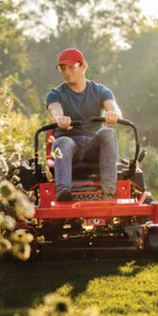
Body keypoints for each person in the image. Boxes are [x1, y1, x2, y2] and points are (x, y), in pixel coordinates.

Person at [46, 48, 122, 201]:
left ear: (83, 66)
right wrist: (59, 119)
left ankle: (109, 191)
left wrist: (113, 114)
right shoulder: (56, 94)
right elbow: (55, 112)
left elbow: (115, 109)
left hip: (92, 146)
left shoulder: (101, 91)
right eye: (63, 68)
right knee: (63, 141)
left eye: (71, 67)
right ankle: (63, 192)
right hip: (68, 147)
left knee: (107, 133)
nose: (66, 72)